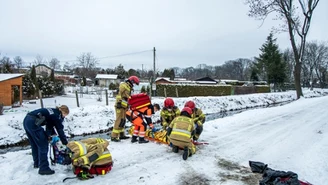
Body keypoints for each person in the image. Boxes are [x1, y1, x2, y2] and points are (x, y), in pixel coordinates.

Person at [23, 105, 70, 175]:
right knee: (43, 145)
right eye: (65, 115)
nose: (64, 117)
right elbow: (60, 130)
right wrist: (65, 143)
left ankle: (37, 163)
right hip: (34, 123)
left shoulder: (53, 111)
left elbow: (49, 125)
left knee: (35, 144)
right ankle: (44, 168)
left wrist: (48, 135)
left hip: (27, 121)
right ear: (63, 112)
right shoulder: (57, 115)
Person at [111, 76, 140, 142]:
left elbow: (128, 98)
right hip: (119, 105)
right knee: (118, 120)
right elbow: (121, 94)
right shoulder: (123, 85)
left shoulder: (129, 87)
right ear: (132, 81)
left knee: (123, 120)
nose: (134, 85)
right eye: (134, 83)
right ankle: (114, 136)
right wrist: (120, 102)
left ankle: (121, 135)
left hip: (124, 106)